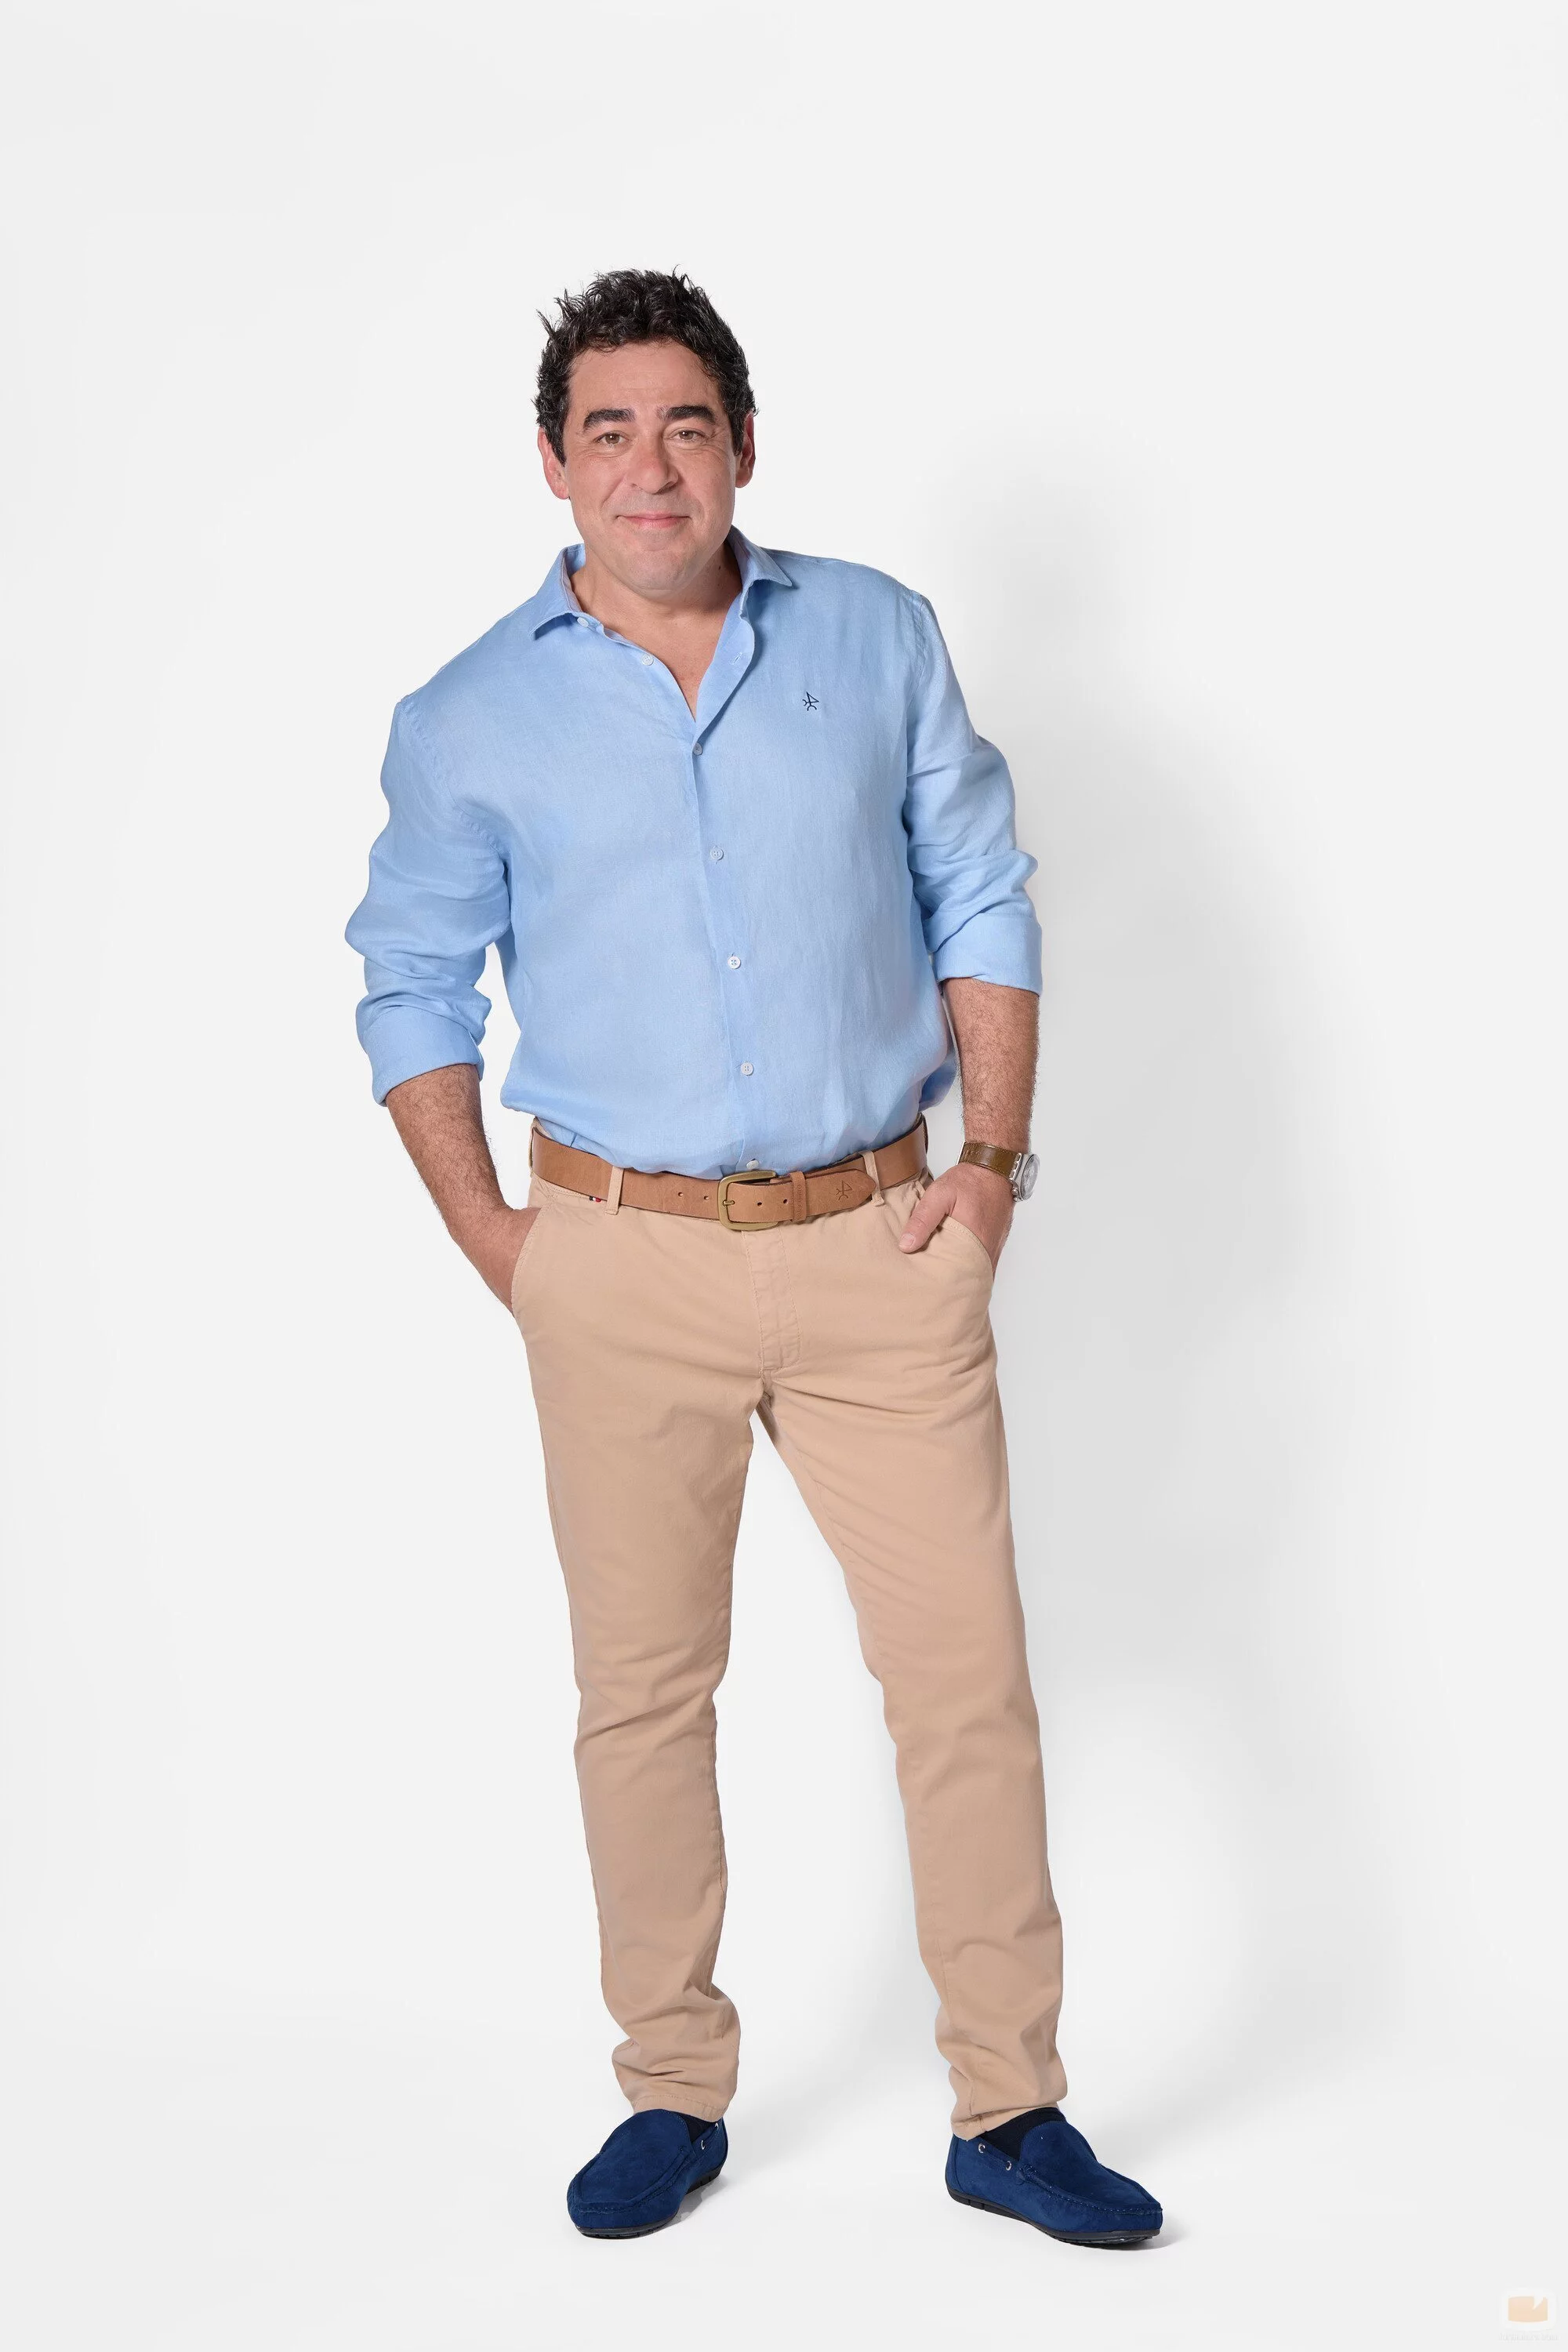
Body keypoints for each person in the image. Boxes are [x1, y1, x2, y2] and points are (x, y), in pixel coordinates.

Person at [346, 269, 1162, 2249]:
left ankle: (1008, 2106)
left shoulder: (873, 636)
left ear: (743, 448)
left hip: (881, 1241)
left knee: (965, 1683)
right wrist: (504, 1245)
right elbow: (408, 985)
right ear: (555, 465)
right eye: (608, 431)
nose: (652, 466)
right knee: (641, 1696)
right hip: (616, 1261)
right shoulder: (466, 717)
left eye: (686, 426)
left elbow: (979, 886)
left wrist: (990, 1171)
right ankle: (672, 2086)